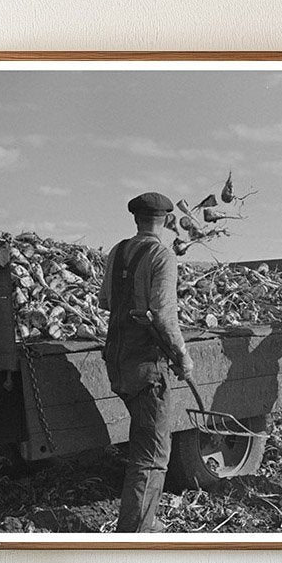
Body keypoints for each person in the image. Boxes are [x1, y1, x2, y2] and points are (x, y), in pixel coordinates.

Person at [99, 191, 194, 532]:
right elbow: (165, 316)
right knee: (152, 457)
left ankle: (141, 523)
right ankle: (135, 534)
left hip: (117, 361)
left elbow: (106, 302)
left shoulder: (117, 251)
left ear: (136, 219)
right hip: (146, 366)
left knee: (143, 445)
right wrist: (182, 357)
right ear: (167, 220)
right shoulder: (162, 256)